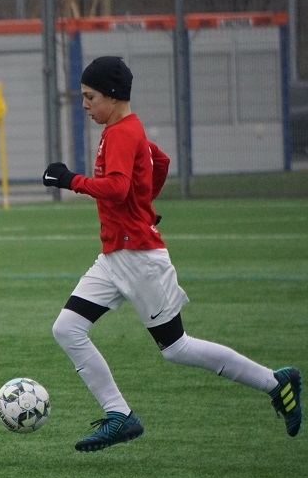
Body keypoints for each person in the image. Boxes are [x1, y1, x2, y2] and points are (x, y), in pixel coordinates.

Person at [42, 56, 301, 452]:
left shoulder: (121, 133)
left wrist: (69, 180)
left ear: (112, 96)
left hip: (140, 259)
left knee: (177, 348)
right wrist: (143, 206)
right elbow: (159, 162)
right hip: (116, 256)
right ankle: (120, 415)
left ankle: (275, 382)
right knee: (67, 328)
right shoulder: (126, 129)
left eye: (90, 97)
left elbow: (117, 187)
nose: (85, 104)